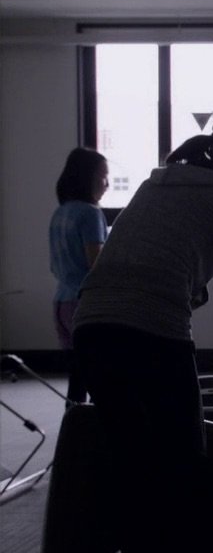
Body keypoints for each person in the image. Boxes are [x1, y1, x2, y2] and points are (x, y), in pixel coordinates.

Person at [73, 109, 213, 553]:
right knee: (184, 467)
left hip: (91, 327)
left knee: (133, 463)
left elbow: (137, 262)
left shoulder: (156, 183)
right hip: (153, 336)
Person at [49, 147, 108, 404]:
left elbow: (54, 265)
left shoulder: (59, 213)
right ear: (87, 179)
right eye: (102, 177)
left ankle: (73, 429)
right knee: (98, 374)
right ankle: (96, 432)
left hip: (61, 302)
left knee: (78, 375)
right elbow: (96, 263)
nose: (106, 183)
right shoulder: (90, 213)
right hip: (85, 304)